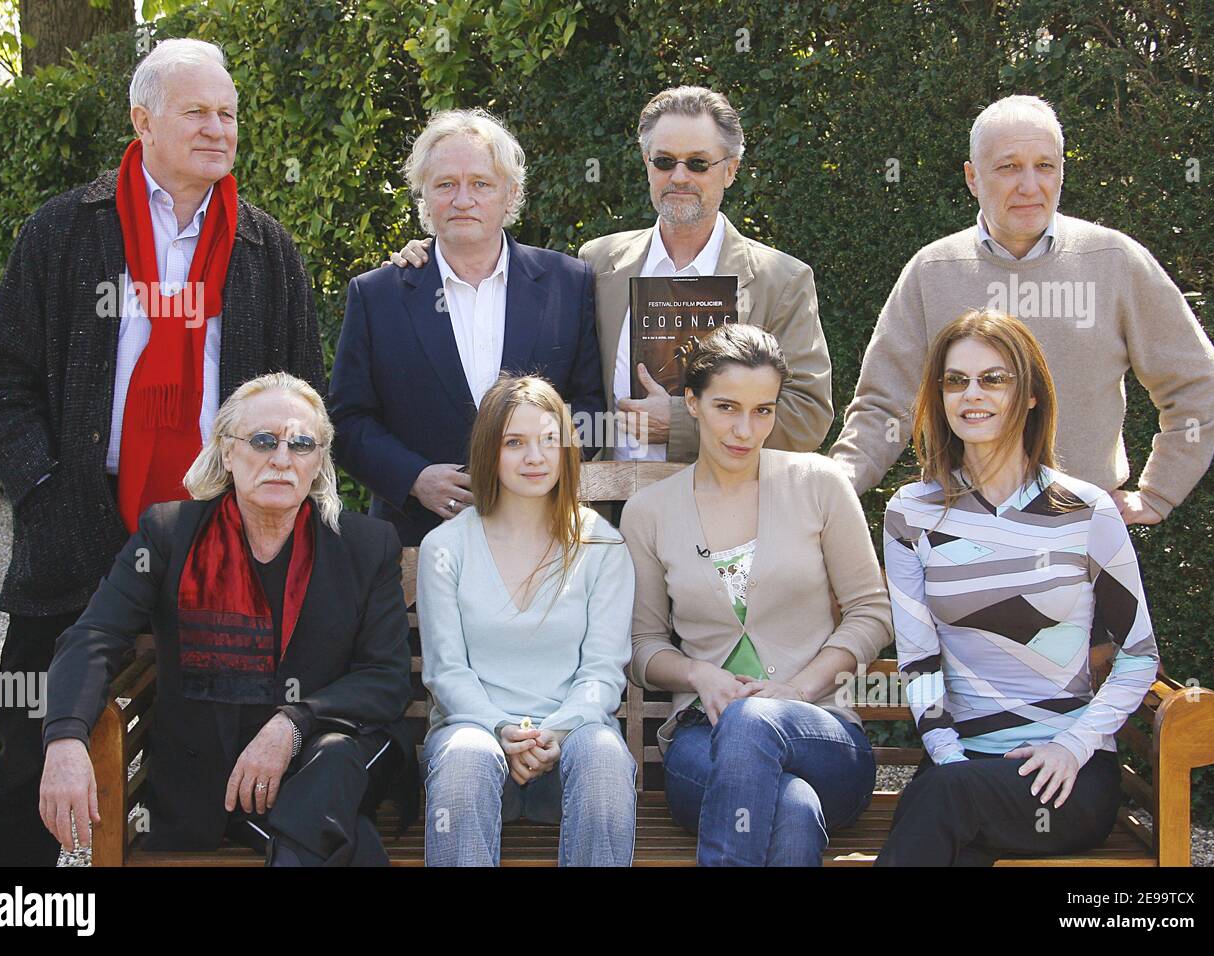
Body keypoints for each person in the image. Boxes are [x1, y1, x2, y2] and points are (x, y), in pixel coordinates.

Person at [0, 38, 325, 867]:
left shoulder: (267, 250)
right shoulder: (63, 231)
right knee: (31, 752)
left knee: (196, 763)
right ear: (143, 120)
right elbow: (2, 386)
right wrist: (47, 490)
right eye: (196, 111)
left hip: (217, 535)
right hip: (81, 531)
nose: (217, 128)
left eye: (228, 113)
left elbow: (302, 398)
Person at [38, 373, 414, 866]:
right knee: (338, 834)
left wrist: (293, 723)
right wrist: (65, 738)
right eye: (263, 441)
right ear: (227, 451)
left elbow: (385, 678)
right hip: (218, 781)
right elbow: (95, 634)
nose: (282, 459)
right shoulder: (168, 535)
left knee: (336, 756)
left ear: (319, 460)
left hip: (337, 751)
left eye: (302, 444)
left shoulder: (365, 546)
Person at [831, 95, 1214, 526]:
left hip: (1081, 528)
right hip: (957, 527)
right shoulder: (932, 270)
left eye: (1044, 166)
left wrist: (1158, 493)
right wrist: (832, 486)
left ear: (1061, 173)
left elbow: (1197, 382)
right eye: (1008, 167)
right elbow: (884, 405)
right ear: (972, 177)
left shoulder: (1114, 260)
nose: (1029, 185)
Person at [388, 87, 834, 463]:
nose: (679, 176)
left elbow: (807, 413)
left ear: (731, 170)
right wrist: (428, 259)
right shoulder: (597, 263)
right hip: (612, 516)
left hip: (730, 514)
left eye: (698, 163)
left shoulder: (782, 279)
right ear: (647, 165)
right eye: (664, 162)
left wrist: (681, 425)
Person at [875, 309, 1160, 866]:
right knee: (953, 821)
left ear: (1030, 394)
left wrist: (1072, 746)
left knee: (945, 806)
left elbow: (1138, 656)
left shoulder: (1086, 510)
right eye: (955, 381)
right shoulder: (911, 513)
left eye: (993, 378)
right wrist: (949, 755)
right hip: (961, 768)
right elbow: (918, 659)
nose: (971, 394)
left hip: (1066, 777)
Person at [619, 324, 892, 866]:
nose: (745, 429)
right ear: (690, 403)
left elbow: (871, 612)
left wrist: (797, 688)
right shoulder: (648, 512)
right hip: (702, 742)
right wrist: (701, 675)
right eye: (727, 407)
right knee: (791, 806)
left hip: (823, 732)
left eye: (763, 410)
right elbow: (642, 645)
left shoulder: (820, 484)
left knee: (753, 722)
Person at [328, 108, 604, 547]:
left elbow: (591, 404)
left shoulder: (568, 283)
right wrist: (414, 477)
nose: (462, 199)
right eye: (445, 185)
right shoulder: (378, 295)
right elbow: (347, 419)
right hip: (417, 539)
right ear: (424, 196)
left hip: (542, 535)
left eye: (480, 183)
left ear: (510, 194)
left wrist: (539, 468)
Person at [418, 375, 637, 866]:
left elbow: (602, 671)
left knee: (604, 753)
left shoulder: (602, 545)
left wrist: (556, 732)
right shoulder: (446, 548)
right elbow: (446, 672)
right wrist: (499, 729)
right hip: (473, 739)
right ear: (488, 452)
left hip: (571, 748)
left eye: (549, 440)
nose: (535, 457)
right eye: (515, 442)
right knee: (466, 758)